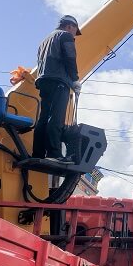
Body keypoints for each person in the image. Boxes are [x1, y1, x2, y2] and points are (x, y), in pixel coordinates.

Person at [33, 14, 82, 162]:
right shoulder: (65, 36)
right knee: (56, 118)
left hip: (44, 81)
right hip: (59, 81)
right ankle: (54, 153)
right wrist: (74, 79)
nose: (74, 35)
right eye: (75, 31)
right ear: (69, 27)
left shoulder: (44, 41)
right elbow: (70, 58)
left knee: (44, 118)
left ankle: (38, 153)